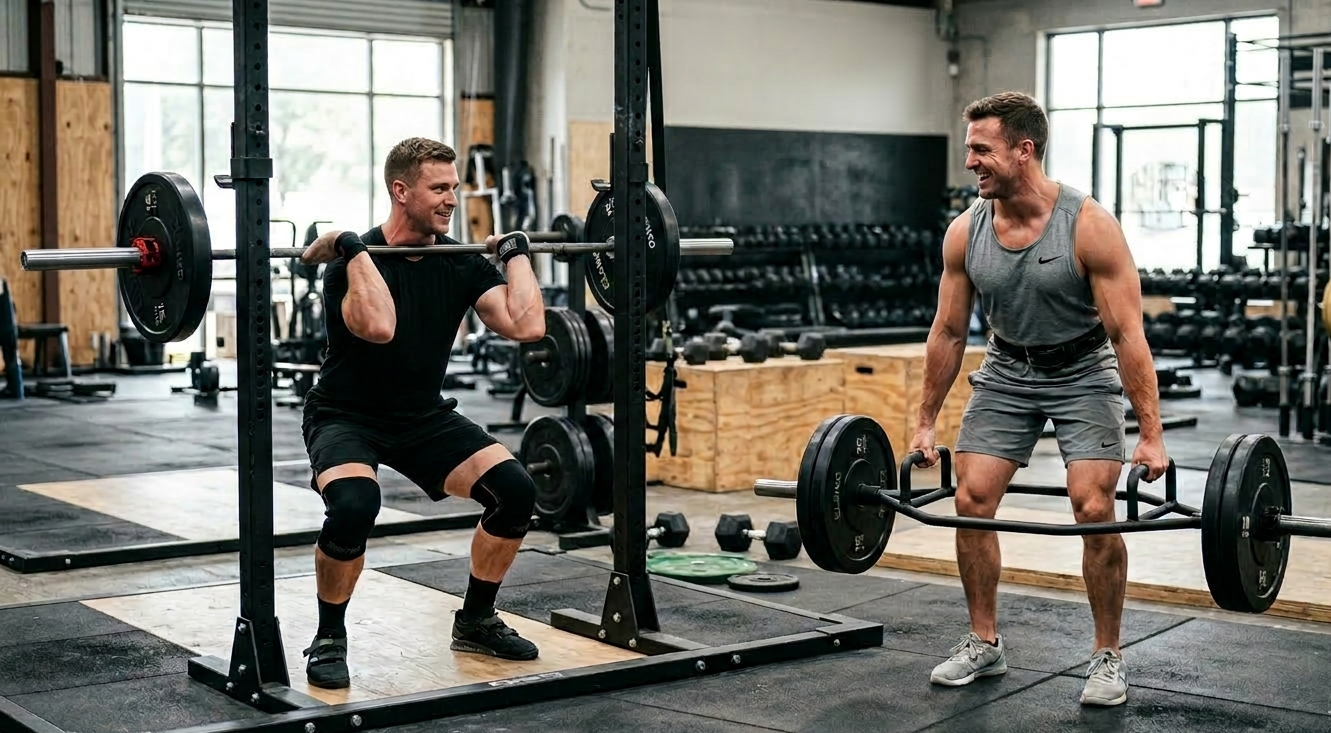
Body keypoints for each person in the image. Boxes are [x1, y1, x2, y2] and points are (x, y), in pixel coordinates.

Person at [910, 92, 1169, 707]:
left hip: (1082, 367)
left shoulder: (1088, 225)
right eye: (969, 148)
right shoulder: (964, 231)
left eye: (981, 149)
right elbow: (948, 332)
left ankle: (1107, 655)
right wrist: (924, 422)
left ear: (1024, 151)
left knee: (1092, 505)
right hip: (1006, 368)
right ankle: (984, 641)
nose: (970, 161)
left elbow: (1126, 333)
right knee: (971, 499)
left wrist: (1151, 434)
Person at [296, 137, 547, 689]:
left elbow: (526, 326)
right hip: (345, 415)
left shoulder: (456, 260)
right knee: (356, 504)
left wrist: (516, 254)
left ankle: (477, 620)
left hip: (422, 416)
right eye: (439, 188)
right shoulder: (348, 266)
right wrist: (349, 245)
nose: (452, 200)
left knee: (516, 493)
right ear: (400, 191)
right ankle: (329, 637)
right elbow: (380, 327)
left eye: (454, 188)